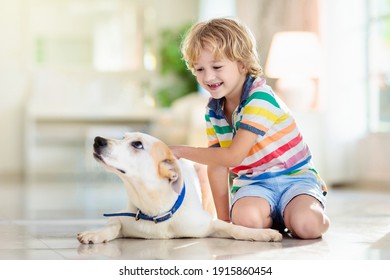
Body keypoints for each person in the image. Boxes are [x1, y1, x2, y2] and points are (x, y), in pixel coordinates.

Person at [170, 18, 329, 239]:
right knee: (245, 222)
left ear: (242, 64)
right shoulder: (213, 110)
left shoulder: (259, 97)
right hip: (254, 184)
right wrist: (224, 223)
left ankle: (303, 209)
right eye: (199, 69)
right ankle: (278, 217)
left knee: (307, 226)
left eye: (217, 67)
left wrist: (180, 151)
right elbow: (217, 166)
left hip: (295, 179)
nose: (208, 77)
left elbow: (232, 157)